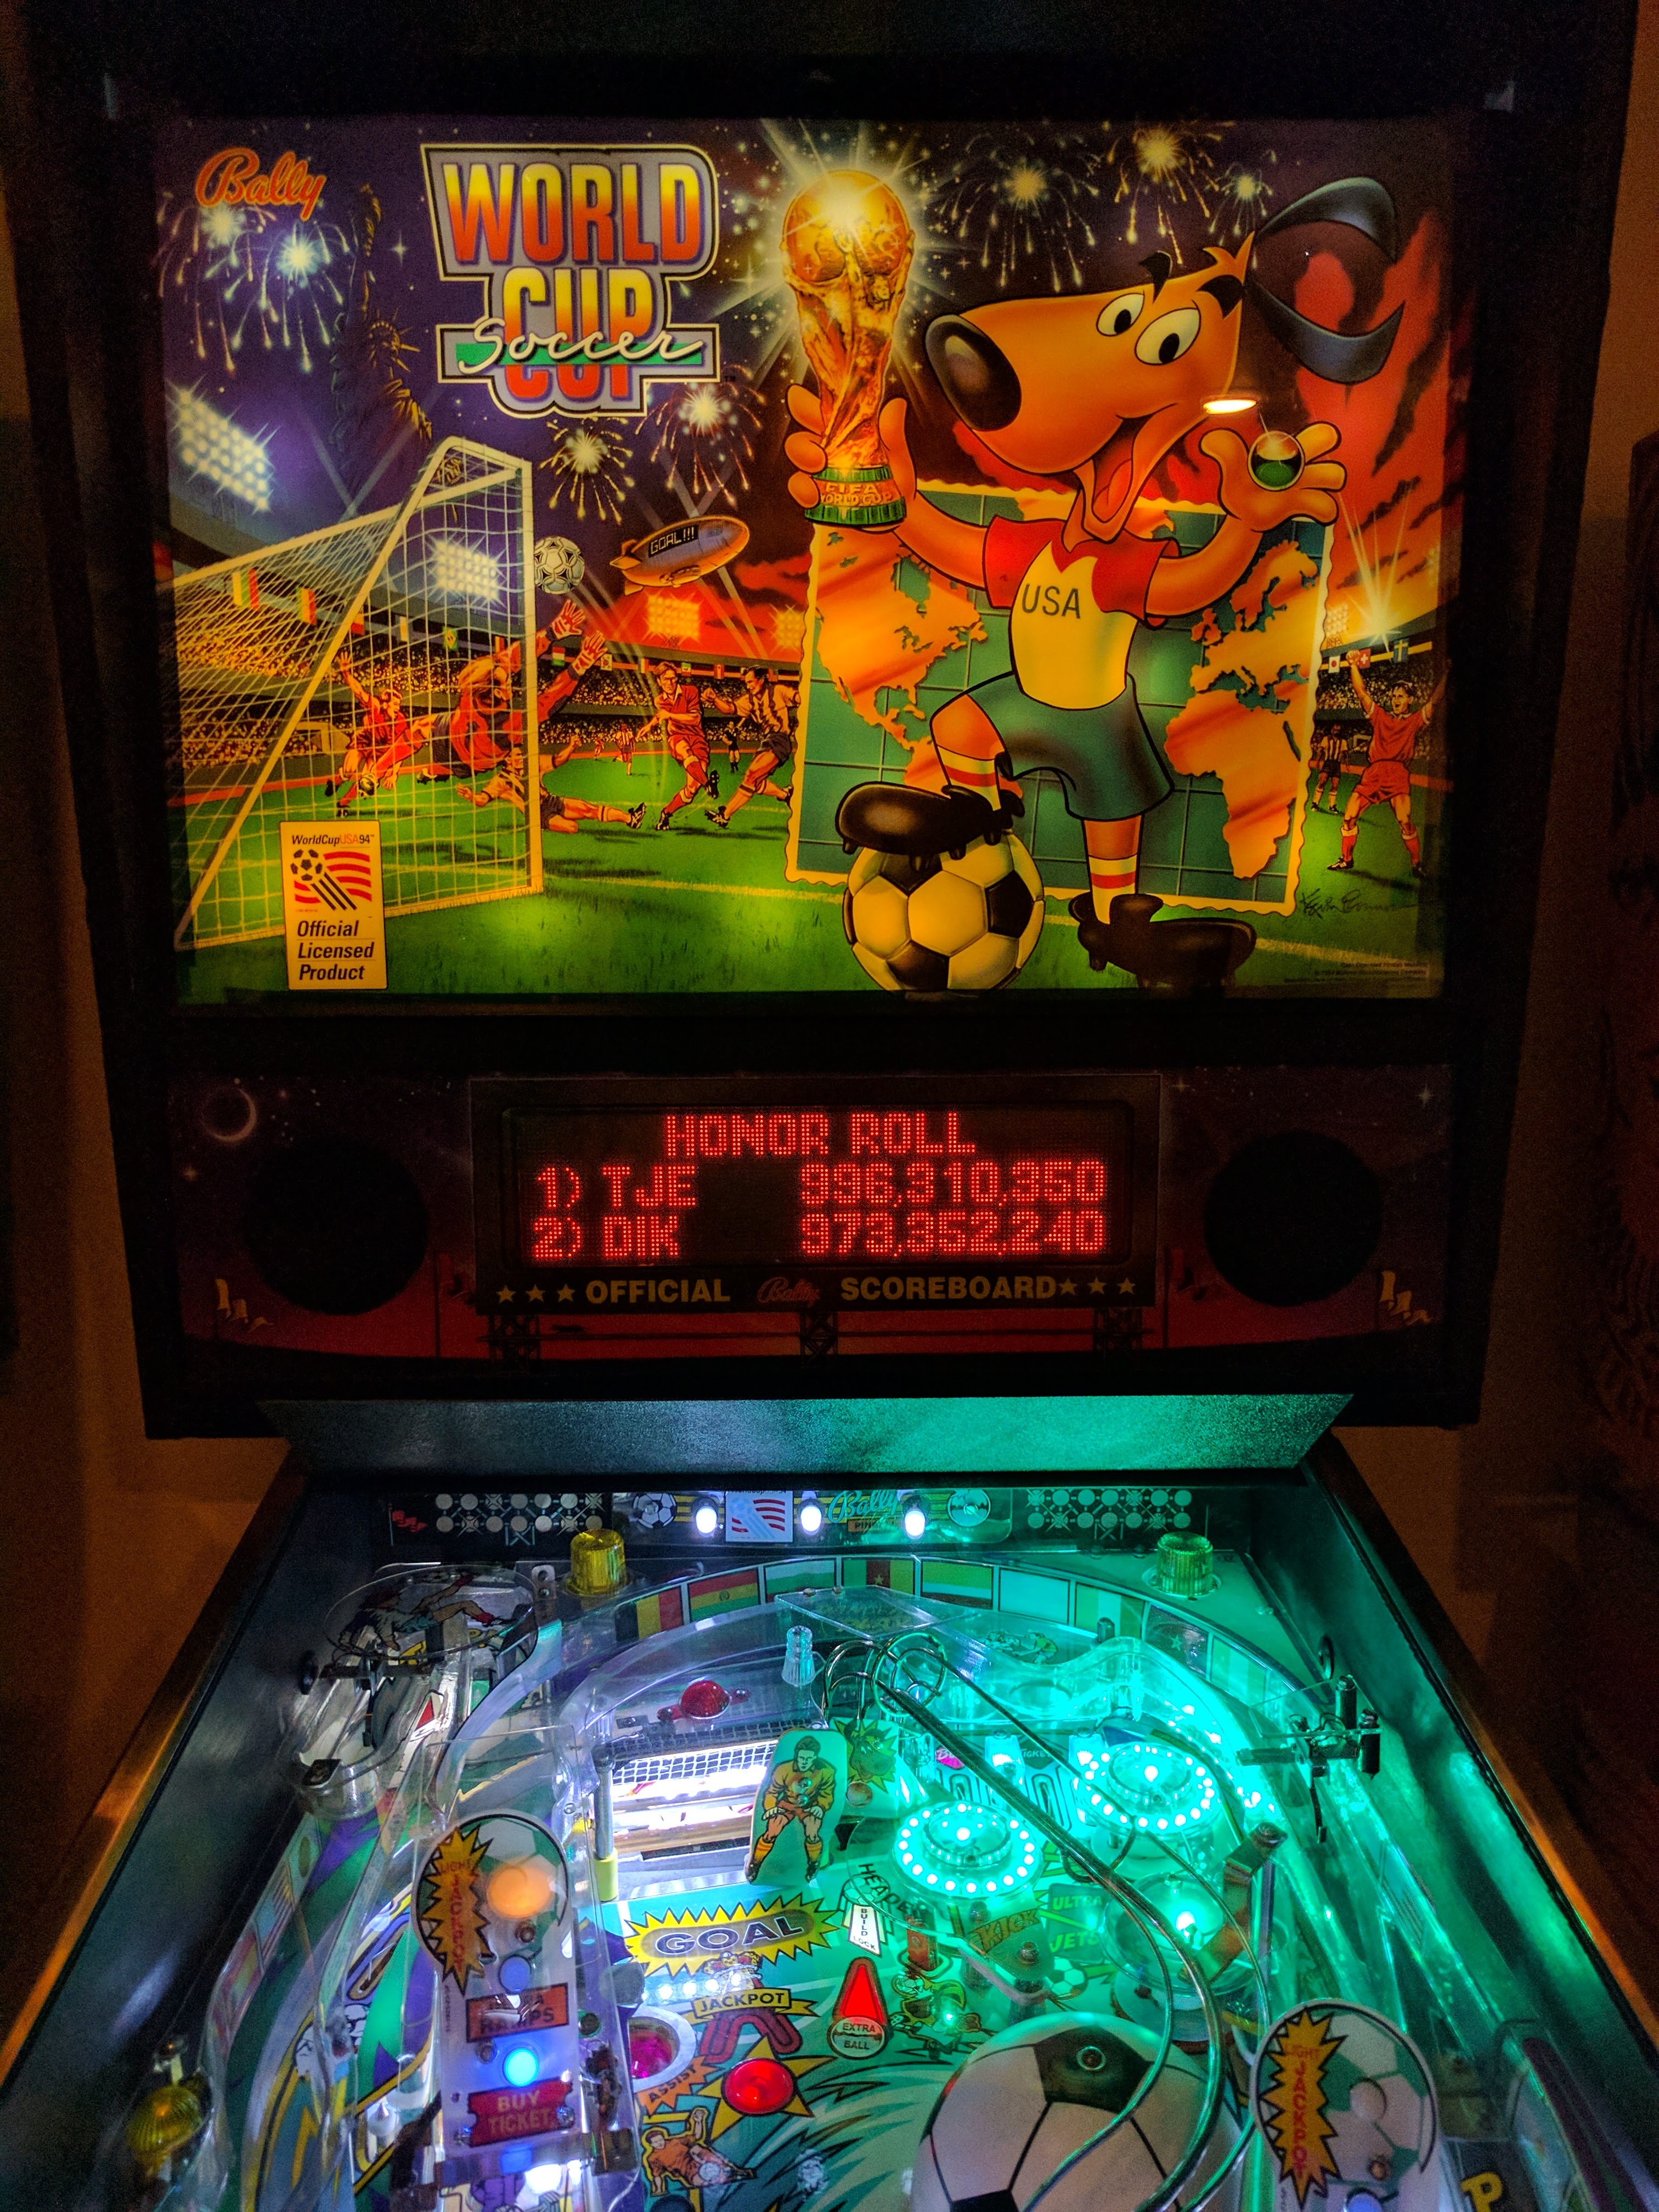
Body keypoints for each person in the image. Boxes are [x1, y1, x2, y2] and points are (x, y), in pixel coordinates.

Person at [1329, 655, 1445, 876]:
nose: (1395, 700)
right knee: (1349, 817)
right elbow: (1361, 692)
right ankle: (1346, 860)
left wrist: (1448, 673)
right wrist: (1353, 665)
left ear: (1410, 699)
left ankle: (1417, 864)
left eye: (1400, 696)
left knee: (1405, 820)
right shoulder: (1380, 716)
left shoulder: (1414, 721)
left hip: (1397, 774)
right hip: (1373, 773)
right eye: (1393, 696)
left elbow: (1435, 702)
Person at [707, 669, 798, 827]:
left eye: (751, 682)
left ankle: (725, 815)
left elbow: (799, 698)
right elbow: (729, 709)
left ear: (761, 680)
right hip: (767, 741)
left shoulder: (778, 691)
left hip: (779, 740)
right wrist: (714, 699)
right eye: (746, 683)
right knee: (755, 782)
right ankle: (785, 795)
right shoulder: (749, 700)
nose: (748, 686)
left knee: (751, 775)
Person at [746, 1734, 837, 1879]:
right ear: (796, 1755)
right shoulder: (783, 1769)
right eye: (801, 1758)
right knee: (772, 1831)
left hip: (809, 1805)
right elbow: (772, 1791)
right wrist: (771, 1808)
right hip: (787, 1804)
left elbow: (827, 1793)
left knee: (813, 1833)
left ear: (815, 1757)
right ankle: (755, 1865)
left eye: (808, 1759)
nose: (804, 1762)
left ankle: (814, 1864)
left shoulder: (827, 1771)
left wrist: (821, 1806)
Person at [645, 664, 723, 827]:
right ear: (659, 681)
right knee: (686, 752)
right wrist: (650, 725)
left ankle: (666, 813)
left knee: (691, 790)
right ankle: (708, 785)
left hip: (697, 738)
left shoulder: (691, 691)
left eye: (673, 678)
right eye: (666, 679)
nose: (670, 683)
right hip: (677, 737)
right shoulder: (659, 701)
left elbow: (695, 719)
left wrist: (670, 715)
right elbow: (661, 715)